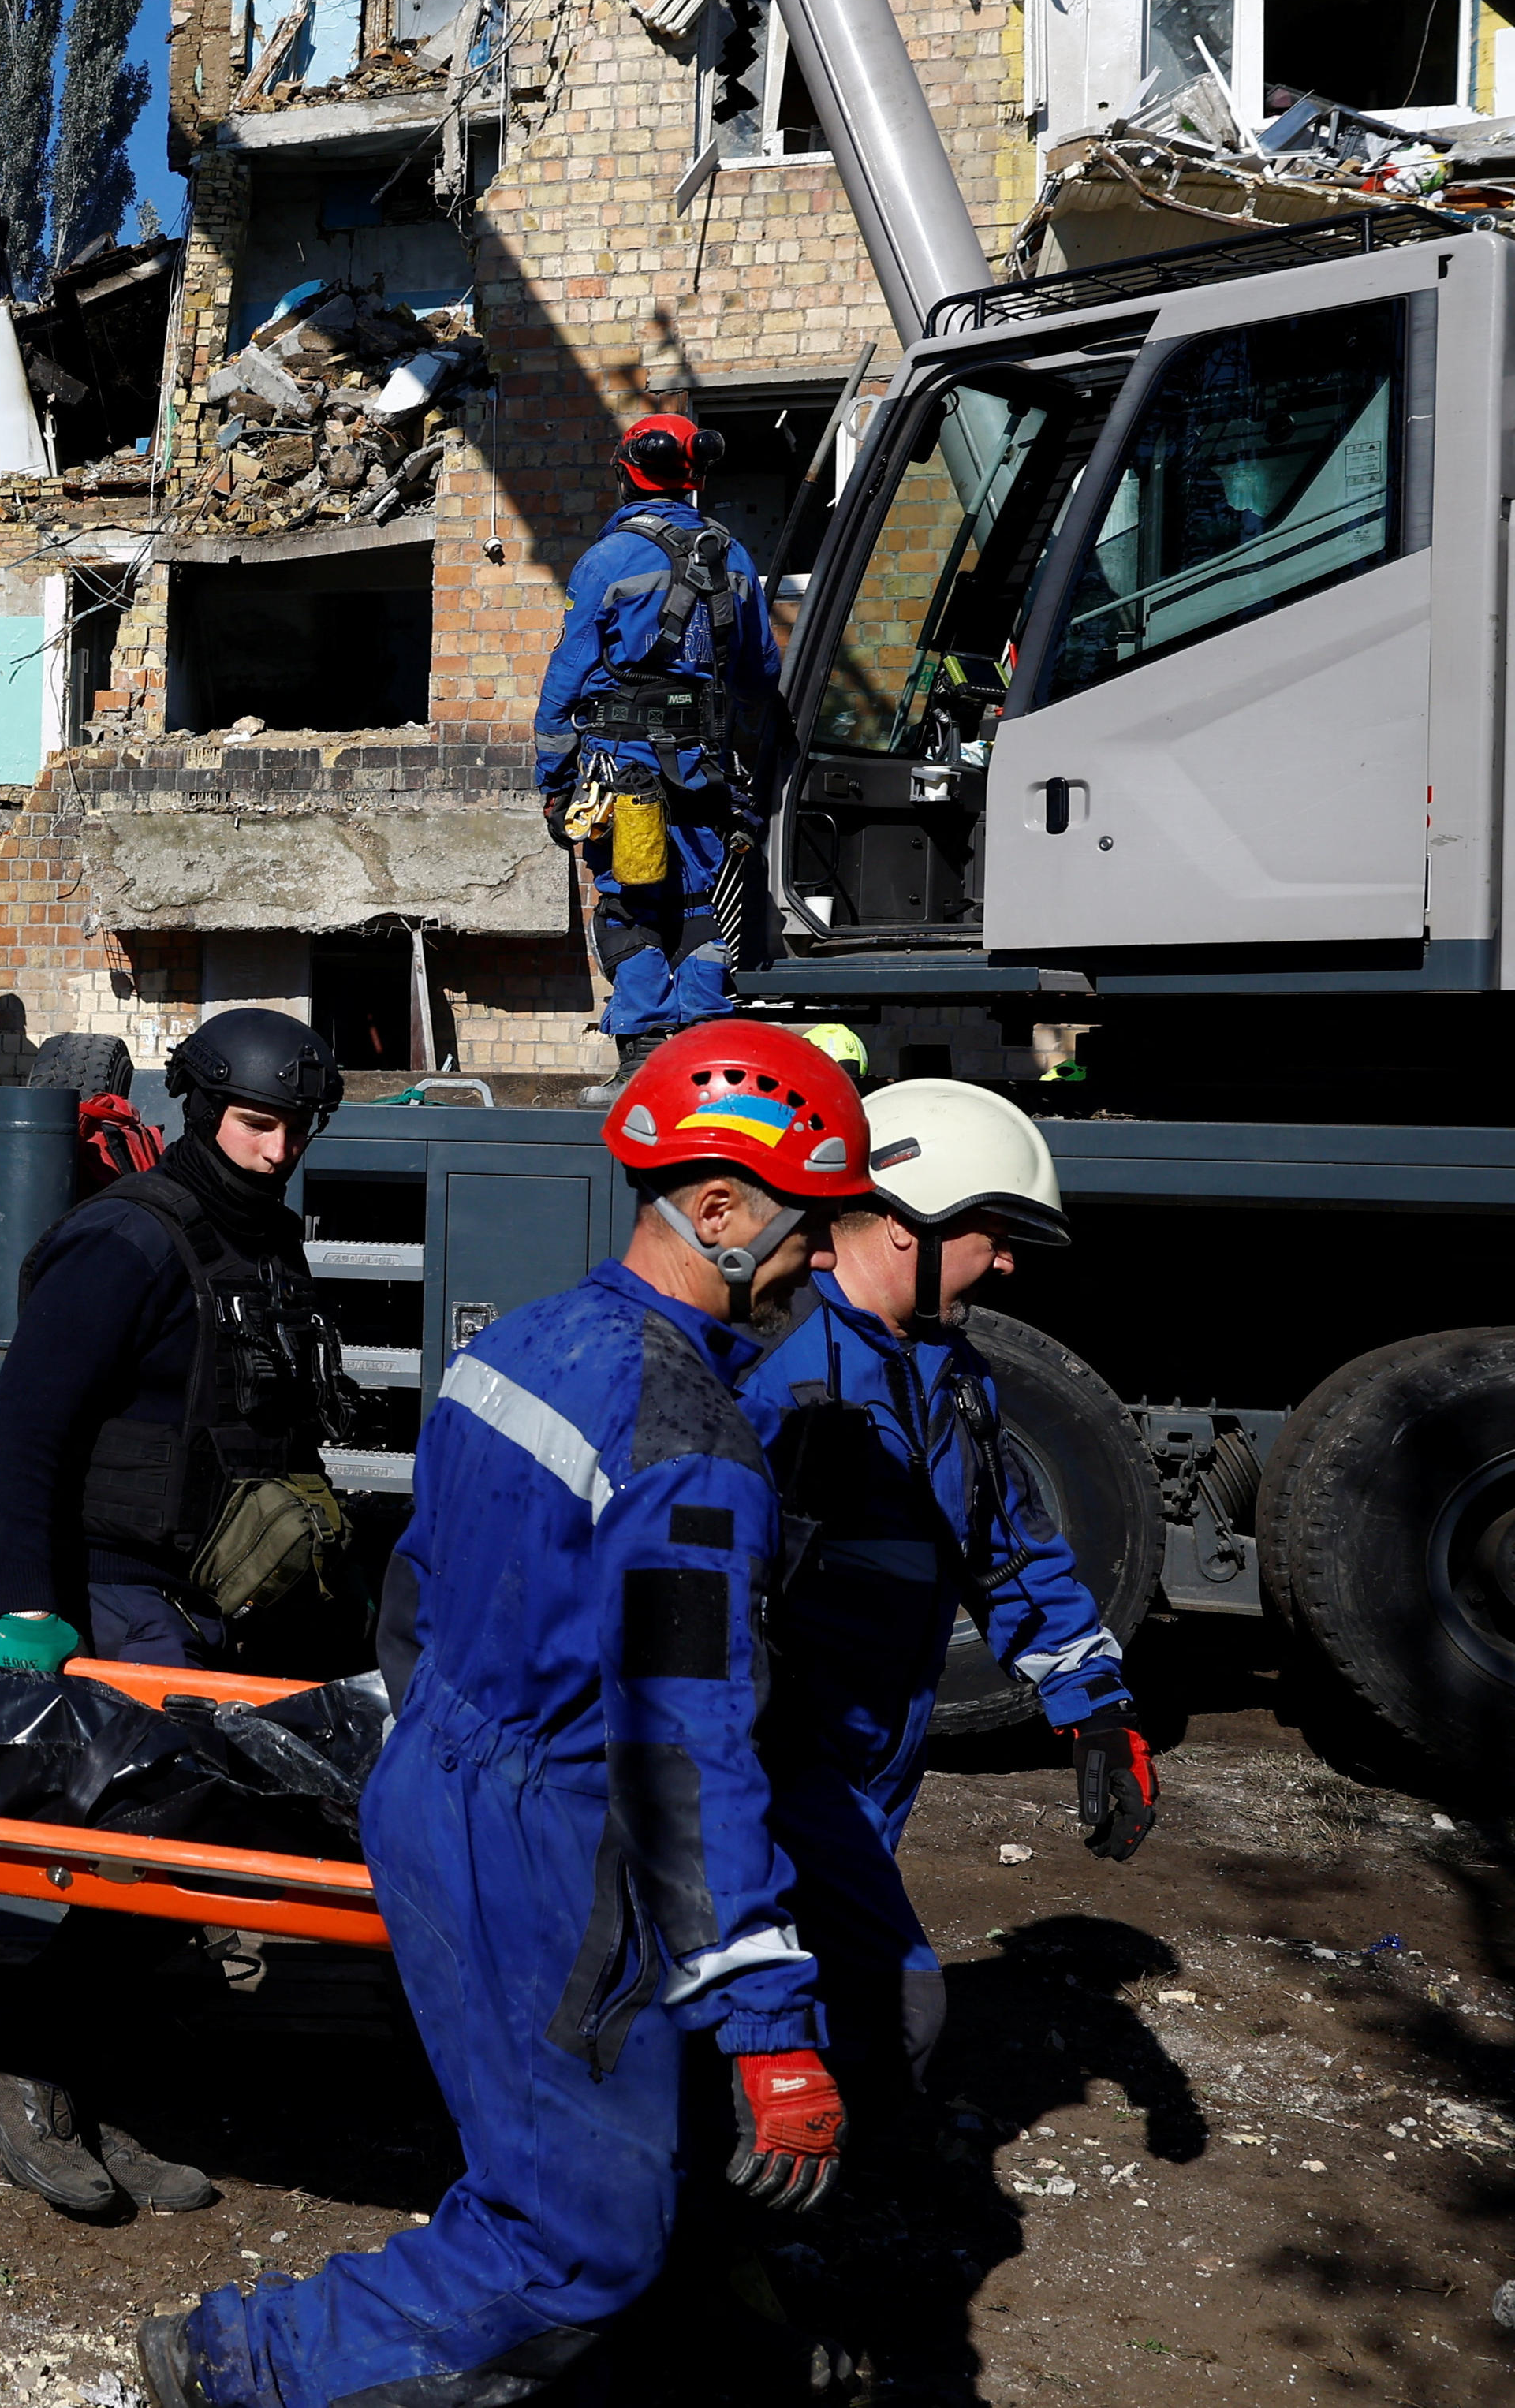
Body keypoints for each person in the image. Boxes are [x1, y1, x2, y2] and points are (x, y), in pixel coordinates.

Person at [144, 1019, 871, 2408]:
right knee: (576, 2236)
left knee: (575, 2165)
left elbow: (413, 1592)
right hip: (546, 1837)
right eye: (809, 1225)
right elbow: (685, 1742)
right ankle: (242, 2364)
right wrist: (774, 2028)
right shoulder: (689, 1448)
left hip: (444, 1782)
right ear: (717, 1206)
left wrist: (461, 1765)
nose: (821, 1257)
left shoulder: (525, 1341)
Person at [744, 1079, 1150, 2150]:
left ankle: (821, 2173)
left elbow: (1009, 1549)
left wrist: (1095, 1708)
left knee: (834, 1988)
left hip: (879, 1750)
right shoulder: (779, 1373)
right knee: (883, 2002)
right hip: (784, 1757)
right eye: (992, 1232)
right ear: (898, 1223)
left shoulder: (953, 1374)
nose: (1009, 1259)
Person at [0, 1009, 351, 1676]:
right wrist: (26, 1607)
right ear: (206, 1113)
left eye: (299, 1130)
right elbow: (20, 1425)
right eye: (259, 1125)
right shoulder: (125, 1240)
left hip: (244, 1588)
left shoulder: (272, 1243)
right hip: (125, 1595)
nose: (279, 1151)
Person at [538, 412, 783, 1068]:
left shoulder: (608, 560)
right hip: (705, 767)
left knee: (629, 899)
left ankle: (644, 1050)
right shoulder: (733, 556)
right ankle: (707, 1047)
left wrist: (555, 785)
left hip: (624, 767)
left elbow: (564, 686)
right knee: (702, 902)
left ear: (627, 475)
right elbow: (760, 675)